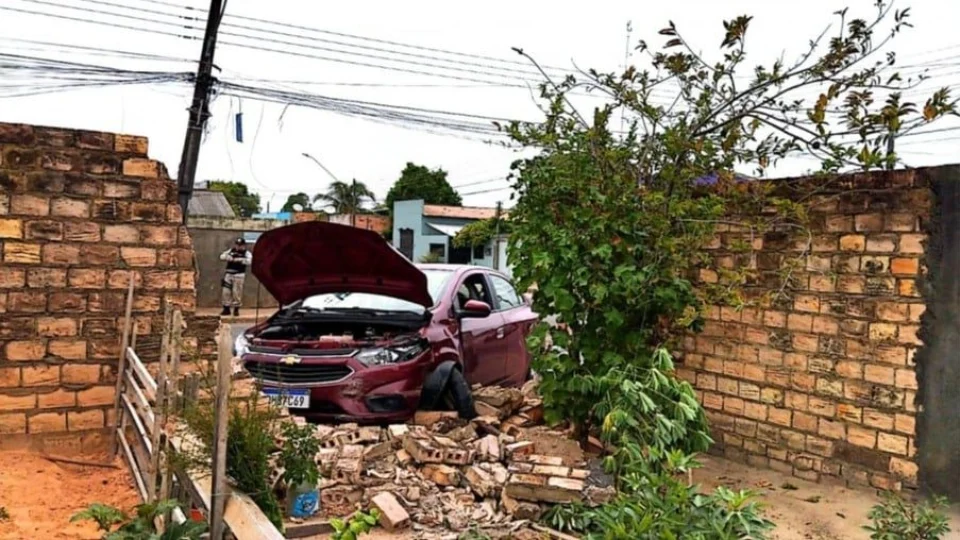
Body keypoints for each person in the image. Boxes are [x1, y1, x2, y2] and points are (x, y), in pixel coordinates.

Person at [219, 238, 252, 316]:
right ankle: (226, 308)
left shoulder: (246, 253)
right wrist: (228, 257)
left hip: (239, 274)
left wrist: (240, 260)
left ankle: (236, 309)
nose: (238, 247)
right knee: (225, 292)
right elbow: (222, 256)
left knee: (237, 292)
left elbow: (250, 261)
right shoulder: (231, 250)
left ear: (244, 246)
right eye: (237, 245)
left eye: (240, 245)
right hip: (229, 273)